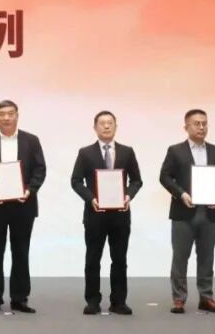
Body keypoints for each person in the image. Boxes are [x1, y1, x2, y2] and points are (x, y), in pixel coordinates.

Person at [0, 100, 47, 314]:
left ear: (17, 115)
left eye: (10, 113)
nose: (6, 117)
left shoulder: (31, 140)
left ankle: (20, 298)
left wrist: (30, 190)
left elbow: (40, 169)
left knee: (21, 252)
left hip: (23, 205)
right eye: (2, 114)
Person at [158, 109, 215, 314]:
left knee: (207, 256)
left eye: (204, 123)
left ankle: (206, 297)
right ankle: (179, 298)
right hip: (184, 211)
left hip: (209, 212)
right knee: (180, 256)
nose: (201, 127)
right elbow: (165, 177)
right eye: (196, 123)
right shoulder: (175, 150)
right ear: (186, 127)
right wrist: (181, 194)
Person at [71, 110, 142, 315]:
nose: (106, 126)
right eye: (102, 123)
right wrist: (90, 198)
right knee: (93, 259)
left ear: (116, 126)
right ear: (95, 127)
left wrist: (128, 195)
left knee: (119, 259)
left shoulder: (127, 152)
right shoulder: (86, 153)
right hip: (95, 214)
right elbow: (76, 181)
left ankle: (118, 301)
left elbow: (137, 180)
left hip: (120, 215)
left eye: (110, 122)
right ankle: (92, 300)